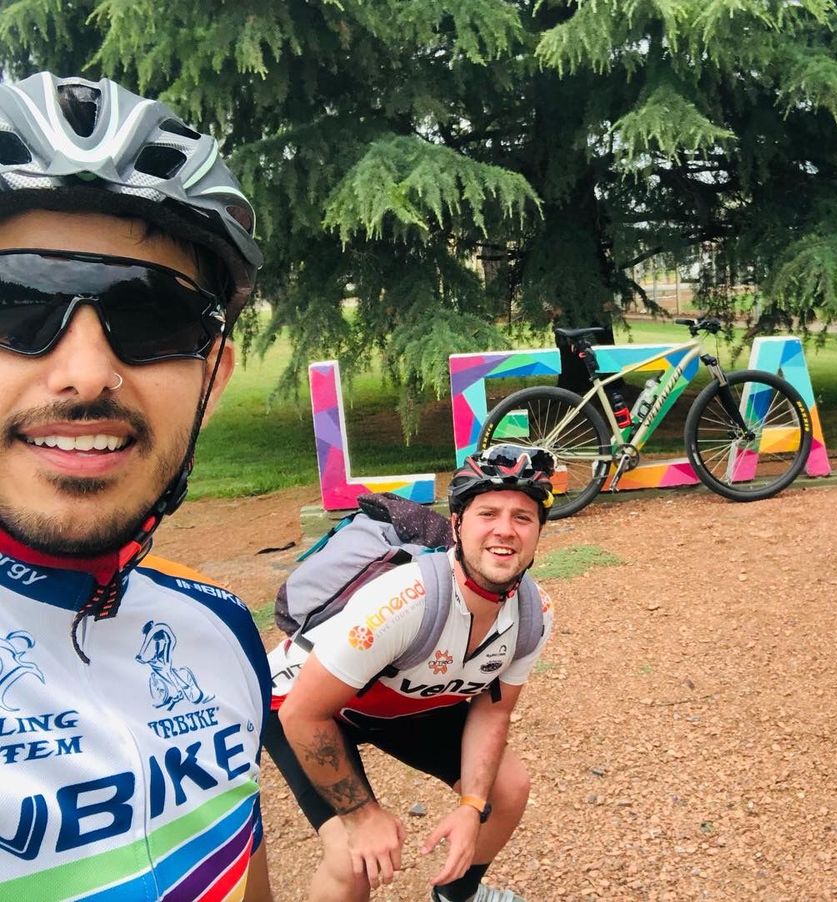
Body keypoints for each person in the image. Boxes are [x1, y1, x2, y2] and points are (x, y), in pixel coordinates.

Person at [0, 72, 272, 898]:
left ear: (212, 380)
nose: (87, 375)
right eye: (15, 303)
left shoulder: (222, 631)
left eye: (154, 314)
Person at [265, 445, 557, 902]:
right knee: (351, 860)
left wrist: (471, 805)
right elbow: (303, 714)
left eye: (522, 518)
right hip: (303, 704)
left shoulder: (533, 613)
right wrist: (362, 815)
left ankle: (456, 895)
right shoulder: (405, 601)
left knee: (507, 789)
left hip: (398, 697)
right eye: (488, 514)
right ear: (457, 524)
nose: (505, 530)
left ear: (539, 532)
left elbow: (493, 712)